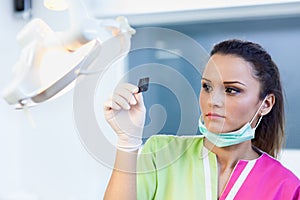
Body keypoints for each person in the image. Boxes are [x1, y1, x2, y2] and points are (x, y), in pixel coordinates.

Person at [103, 39, 300, 200]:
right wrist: (127, 142)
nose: (213, 101)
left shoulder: (286, 187)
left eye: (232, 90)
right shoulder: (161, 153)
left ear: (265, 104)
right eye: (207, 87)